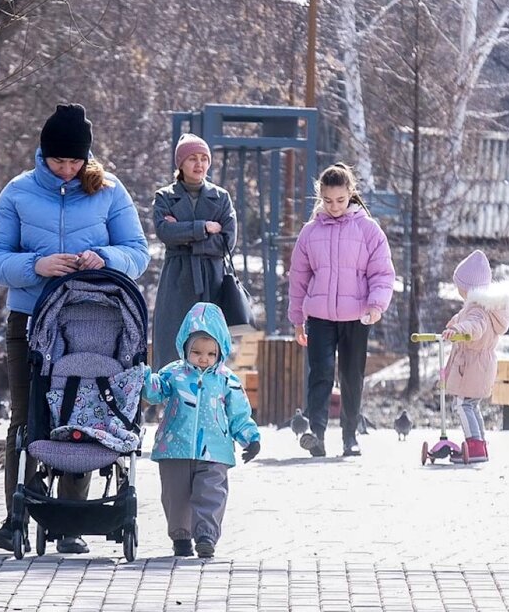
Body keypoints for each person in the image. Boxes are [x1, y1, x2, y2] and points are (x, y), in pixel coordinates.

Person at [0, 103, 150, 553]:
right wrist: (36, 265)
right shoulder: (18, 193)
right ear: (43, 154)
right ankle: (19, 514)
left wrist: (106, 258)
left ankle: (71, 521)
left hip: (88, 323)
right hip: (30, 320)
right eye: (59, 161)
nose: (68, 169)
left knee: (81, 413)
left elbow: (138, 251)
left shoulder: (109, 191)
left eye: (76, 161)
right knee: (27, 418)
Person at [287, 163, 396, 458]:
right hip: (320, 317)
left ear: (351, 194)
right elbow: (298, 278)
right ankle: (317, 435)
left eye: (340, 200)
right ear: (320, 197)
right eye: (328, 200)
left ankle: (350, 436)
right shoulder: (310, 233)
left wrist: (376, 305)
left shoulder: (368, 229)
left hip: (357, 316)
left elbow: (382, 273)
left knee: (351, 375)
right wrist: (297, 320)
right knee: (320, 373)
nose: (334, 206)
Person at [143, 302, 261, 558]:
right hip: (175, 447)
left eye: (210, 353)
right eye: (196, 352)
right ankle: (181, 536)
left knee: (211, 493)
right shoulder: (173, 374)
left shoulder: (227, 380)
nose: (203, 358)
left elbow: (239, 413)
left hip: (215, 449)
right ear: (185, 347)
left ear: (220, 351)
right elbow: (154, 393)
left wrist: (250, 438)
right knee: (175, 496)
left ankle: (206, 535)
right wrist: (143, 376)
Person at [151, 133, 237, 374]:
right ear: (180, 163)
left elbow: (227, 241)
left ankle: (211, 400)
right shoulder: (165, 196)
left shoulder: (221, 198)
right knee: (171, 340)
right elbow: (165, 232)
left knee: (210, 341)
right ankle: (164, 401)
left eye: (204, 158)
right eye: (192, 159)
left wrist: (186, 234)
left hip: (211, 279)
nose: (199, 165)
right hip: (177, 278)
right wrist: (204, 228)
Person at [440, 250, 509, 464]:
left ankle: (475, 447)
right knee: (472, 405)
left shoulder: (477, 309)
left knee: (463, 405)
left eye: (459, 286)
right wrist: (455, 323)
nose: (458, 290)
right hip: (481, 366)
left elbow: (475, 326)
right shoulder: (486, 308)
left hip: (472, 367)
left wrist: (460, 328)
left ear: (468, 288)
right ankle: (480, 445)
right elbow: (468, 319)